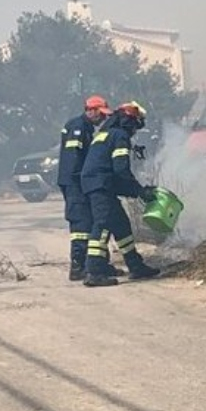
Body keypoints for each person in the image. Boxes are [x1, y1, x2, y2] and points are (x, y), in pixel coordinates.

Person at [80, 101, 160, 287]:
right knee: (102, 225)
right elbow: (120, 170)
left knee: (121, 225)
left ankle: (135, 265)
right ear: (130, 122)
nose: (134, 131)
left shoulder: (106, 134)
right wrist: (140, 191)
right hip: (101, 186)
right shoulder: (120, 136)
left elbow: (115, 175)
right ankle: (94, 272)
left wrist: (136, 191)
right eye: (135, 126)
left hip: (98, 184)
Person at [57, 95, 123, 282]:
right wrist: (81, 182)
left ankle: (97, 264)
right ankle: (78, 267)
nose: (102, 118)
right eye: (100, 114)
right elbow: (73, 159)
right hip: (75, 183)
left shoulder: (86, 127)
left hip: (81, 182)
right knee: (81, 225)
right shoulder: (77, 127)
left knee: (93, 221)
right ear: (91, 110)